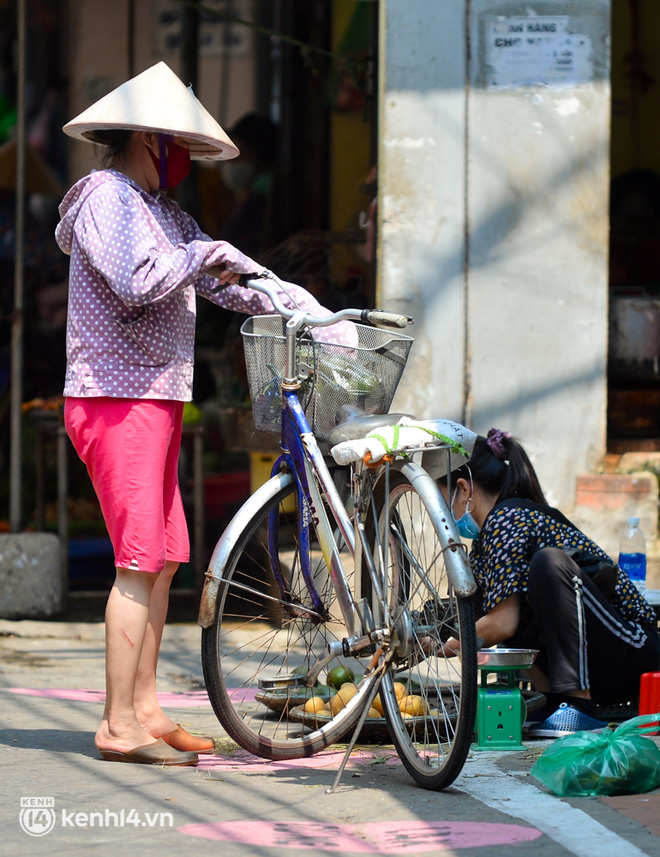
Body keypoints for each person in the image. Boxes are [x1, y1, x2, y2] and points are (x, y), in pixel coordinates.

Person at [55, 61, 355, 766]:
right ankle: (116, 721)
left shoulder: (165, 213)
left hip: (156, 397)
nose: (183, 157)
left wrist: (305, 310)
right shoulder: (104, 196)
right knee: (136, 562)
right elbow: (137, 280)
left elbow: (228, 278)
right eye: (174, 142)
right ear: (147, 139)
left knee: (161, 562)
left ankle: (145, 706)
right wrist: (203, 255)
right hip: (113, 396)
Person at [442, 428, 660, 738]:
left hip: (634, 650)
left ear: (463, 490)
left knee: (548, 564)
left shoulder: (509, 518)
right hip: (600, 663)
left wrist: (449, 643)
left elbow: (502, 624)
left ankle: (578, 706)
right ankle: (555, 701)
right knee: (507, 600)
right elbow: (486, 623)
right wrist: (433, 639)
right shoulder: (485, 543)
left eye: (441, 500)